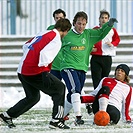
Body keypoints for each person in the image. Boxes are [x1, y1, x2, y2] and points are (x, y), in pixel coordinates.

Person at [0, 18, 72, 129]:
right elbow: (44, 54)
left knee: (33, 97)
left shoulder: (44, 32)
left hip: (22, 70)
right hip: (35, 71)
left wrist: (29, 59)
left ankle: (7, 115)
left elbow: (25, 45)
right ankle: (56, 120)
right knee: (60, 88)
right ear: (66, 30)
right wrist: (45, 72)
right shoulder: (56, 39)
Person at [60, 11, 118, 125]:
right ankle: (78, 117)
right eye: (79, 23)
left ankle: (60, 117)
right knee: (76, 89)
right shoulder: (66, 35)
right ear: (74, 23)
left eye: (83, 24)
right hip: (68, 67)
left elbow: (101, 33)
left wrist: (109, 25)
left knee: (71, 95)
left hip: (82, 68)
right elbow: (56, 47)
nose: (81, 26)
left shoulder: (88, 34)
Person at [90, 9, 120, 89]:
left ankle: (102, 96)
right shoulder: (95, 29)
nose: (104, 19)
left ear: (108, 19)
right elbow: (89, 41)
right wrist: (91, 48)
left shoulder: (112, 30)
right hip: (96, 57)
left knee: (104, 79)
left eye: (106, 18)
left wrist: (112, 44)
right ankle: (96, 97)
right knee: (96, 80)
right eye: (102, 17)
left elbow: (117, 39)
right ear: (99, 19)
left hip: (107, 57)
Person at [47, 9, 66, 80]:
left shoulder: (69, 31)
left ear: (64, 18)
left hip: (66, 64)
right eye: (56, 18)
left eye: (60, 18)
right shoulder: (50, 29)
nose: (58, 20)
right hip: (54, 65)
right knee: (54, 88)